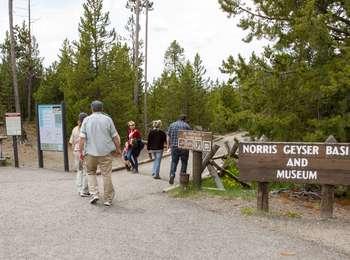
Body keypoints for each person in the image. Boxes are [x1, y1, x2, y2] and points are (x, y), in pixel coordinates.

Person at [79, 100, 121, 207]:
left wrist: (81, 152)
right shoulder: (108, 119)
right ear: (101, 108)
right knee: (106, 174)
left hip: (90, 153)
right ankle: (108, 199)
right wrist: (118, 149)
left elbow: (82, 139)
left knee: (90, 172)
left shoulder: (86, 120)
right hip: (105, 153)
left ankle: (94, 194)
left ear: (92, 108)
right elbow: (115, 136)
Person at [69, 112, 89, 197]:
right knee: (86, 171)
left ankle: (79, 189)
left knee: (79, 170)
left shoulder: (75, 129)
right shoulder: (87, 129)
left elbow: (71, 142)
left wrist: (74, 149)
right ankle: (84, 190)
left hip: (76, 151)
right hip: (84, 151)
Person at [167, 114, 191, 184]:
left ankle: (172, 175)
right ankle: (182, 178)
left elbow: (168, 136)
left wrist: (168, 146)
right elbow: (190, 137)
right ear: (185, 119)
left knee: (174, 162)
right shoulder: (187, 126)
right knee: (184, 162)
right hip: (184, 147)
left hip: (174, 147)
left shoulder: (172, 125)